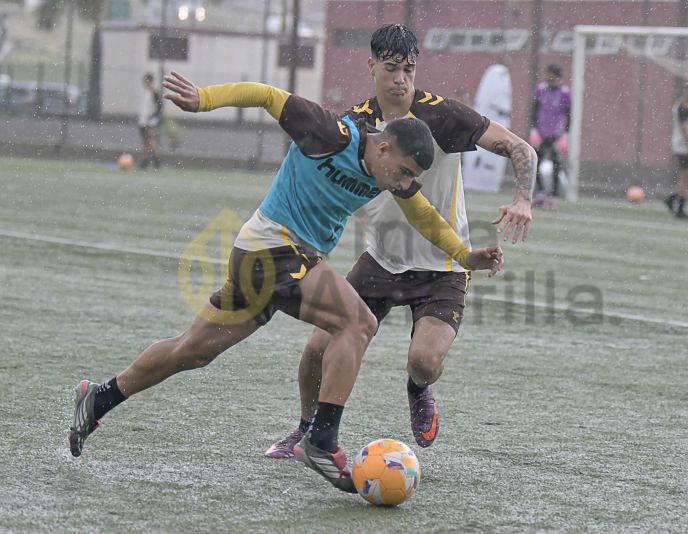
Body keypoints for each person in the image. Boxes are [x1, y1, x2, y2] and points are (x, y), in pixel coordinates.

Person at [67, 71, 504, 494]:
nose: (405, 184)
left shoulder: (390, 171)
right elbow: (267, 95)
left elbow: (424, 214)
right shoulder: (333, 133)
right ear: (384, 147)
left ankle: (99, 398)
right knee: (358, 324)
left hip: (265, 259)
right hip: (273, 249)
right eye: (404, 172)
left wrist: (465, 256)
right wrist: (204, 99)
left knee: (191, 351)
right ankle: (321, 440)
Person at [265, 24, 535, 459]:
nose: (401, 79)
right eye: (391, 68)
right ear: (371, 65)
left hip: (444, 266)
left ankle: (418, 387)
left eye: (409, 69)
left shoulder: (442, 116)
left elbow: (521, 148)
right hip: (381, 260)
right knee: (317, 349)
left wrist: (523, 198)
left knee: (424, 362)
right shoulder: (355, 125)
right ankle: (305, 429)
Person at [529, 64, 571, 210]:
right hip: (541, 132)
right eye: (547, 75)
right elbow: (534, 110)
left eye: (551, 76)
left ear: (558, 78)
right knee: (535, 162)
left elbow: (568, 114)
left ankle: (553, 197)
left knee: (556, 165)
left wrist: (565, 134)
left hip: (556, 134)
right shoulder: (540, 90)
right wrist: (534, 129)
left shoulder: (565, 93)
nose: (548, 79)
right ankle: (540, 193)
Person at [666, 79, 688, 220]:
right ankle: (679, 207)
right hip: (683, 147)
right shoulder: (684, 105)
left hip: (686, 147)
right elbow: (685, 128)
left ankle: (673, 199)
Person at [137, 72, 162, 170]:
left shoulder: (154, 92)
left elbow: (159, 107)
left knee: (150, 142)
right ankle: (145, 162)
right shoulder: (146, 92)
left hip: (150, 123)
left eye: (146, 80)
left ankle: (154, 162)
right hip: (143, 122)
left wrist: (151, 117)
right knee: (147, 143)